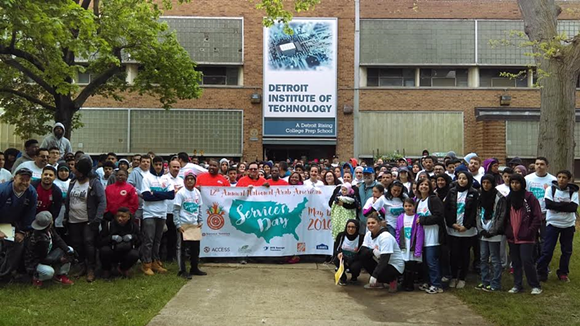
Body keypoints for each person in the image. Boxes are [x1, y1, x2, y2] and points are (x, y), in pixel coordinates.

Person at [64, 158, 106, 282]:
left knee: (88, 243)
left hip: (88, 220)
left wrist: (97, 218)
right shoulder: (72, 182)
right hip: (73, 220)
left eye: (75, 168)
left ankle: (91, 268)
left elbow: (102, 201)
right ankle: (82, 266)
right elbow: (68, 200)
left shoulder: (94, 183)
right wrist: (66, 216)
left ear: (81, 172)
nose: (73, 169)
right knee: (77, 243)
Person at [536, 170, 578, 283]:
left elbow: (573, 208)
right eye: (559, 177)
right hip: (552, 224)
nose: (561, 179)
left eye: (564, 177)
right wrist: (565, 205)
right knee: (547, 250)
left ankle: (563, 272)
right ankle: (541, 272)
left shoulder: (573, 192)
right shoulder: (551, 189)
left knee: (566, 251)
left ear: (568, 179)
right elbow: (549, 204)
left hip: (568, 225)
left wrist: (557, 206)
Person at [504, 173, 543, 295]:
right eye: (512, 183)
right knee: (515, 261)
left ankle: (535, 285)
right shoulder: (508, 198)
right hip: (512, 236)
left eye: (517, 183)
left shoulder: (530, 197)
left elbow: (537, 216)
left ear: (522, 184)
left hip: (526, 236)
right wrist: (507, 230)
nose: (515, 185)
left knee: (527, 260)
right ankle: (517, 284)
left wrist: (530, 230)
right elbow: (504, 216)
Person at [0, 168, 37, 280]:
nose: (24, 182)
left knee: (17, 244)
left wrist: (22, 231)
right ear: (15, 178)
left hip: (13, 224)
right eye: (22, 179)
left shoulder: (31, 192)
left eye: (27, 180)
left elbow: (30, 214)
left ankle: (4, 275)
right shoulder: (3, 190)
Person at [140, 156, 175, 276]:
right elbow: (146, 196)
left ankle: (155, 261)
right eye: (156, 165)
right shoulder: (146, 178)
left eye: (160, 165)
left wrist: (155, 193)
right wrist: (162, 194)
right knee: (148, 239)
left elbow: (171, 195)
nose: (158, 167)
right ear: (152, 165)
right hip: (149, 213)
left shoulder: (167, 179)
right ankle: (146, 264)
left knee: (157, 240)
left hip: (162, 213)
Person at [444, 170, 479, 289]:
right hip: (453, 229)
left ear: (469, 180)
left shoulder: (474, 193)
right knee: (454, 254)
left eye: (464, 178)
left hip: (467, 231)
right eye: (460, 178)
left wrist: (466, 226)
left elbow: (475, 212)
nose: (462, 180)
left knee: (465, 254)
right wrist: (452, 224)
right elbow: (447, 209)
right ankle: (454, 277)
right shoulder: (452, 192)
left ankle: (463, 278)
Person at [25, 211, 75, 286]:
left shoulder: (49, 230)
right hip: (35, 263)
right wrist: (59, 260)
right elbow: (42, 259)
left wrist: (67, 251)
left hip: (47, 255)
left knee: (70, 249)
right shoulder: (40, 240)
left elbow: (58, 239)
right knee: (49, 272)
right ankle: (37, 278)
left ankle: (61, 275)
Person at [476, 174, 507, 292]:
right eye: (483, 183)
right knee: (483, 257)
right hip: (483, 230)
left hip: (495, 233)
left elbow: (501, 216)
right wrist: (481, 229)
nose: (485, 185)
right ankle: (485, 280)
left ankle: (495, 282)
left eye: (488, 183)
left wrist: (492, 231)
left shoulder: (500, 198)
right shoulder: (480, 196)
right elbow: (478, 214)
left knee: (494, 258)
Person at [359, 213, 405, 291]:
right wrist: (372, 251)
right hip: (380, 260)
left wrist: (374, 275)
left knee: (382, 273)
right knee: (364, 257)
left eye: (373, 223)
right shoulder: (368, 234)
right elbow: (362, 251)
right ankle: (379, 282)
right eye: (368, 223)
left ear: (379, 224)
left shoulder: (385, 237)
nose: (370, 225)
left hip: (394, 265)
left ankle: (393, 280)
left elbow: (385, 259)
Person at [174, 172, 206, 279]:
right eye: (188, 179)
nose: (190, 181)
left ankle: (194, 268)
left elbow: (200, 207)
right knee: (182, 248)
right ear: (185, 180)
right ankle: (182, 270)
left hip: (194, 224)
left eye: (192, 179)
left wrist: (200, 220)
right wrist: (178, 224)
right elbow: (176, 210)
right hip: (184, 224)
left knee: (195, 248)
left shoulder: (197, 192)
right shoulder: (181, 193)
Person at [525, 157, 556, 261]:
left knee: (545, 239)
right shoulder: (528, 179)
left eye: (542, 164)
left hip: (546, 214)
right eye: (537, 164)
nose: (539, 166)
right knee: (532, 238)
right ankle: (532, 259)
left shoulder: (553, 180)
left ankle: (543, 262)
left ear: (547, 166)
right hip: (531, 214)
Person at [98, 207, 140, 278]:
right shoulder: (109, 225)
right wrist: (111, 238)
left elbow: (140, 241)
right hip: (112, 251)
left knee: (135, 254)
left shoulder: (133, 226)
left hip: (126, 252)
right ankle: (106, 270)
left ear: (128, 217)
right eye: (118, 216)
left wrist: (132, 237)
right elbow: (100, 242)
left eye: (123, 216)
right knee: (104, 250)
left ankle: (124, 268)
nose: (120, 219)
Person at [396, 198, 424, 291]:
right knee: (404, 265)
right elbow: (398, 232)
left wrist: (418, 249)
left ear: (414, 206)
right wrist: (397, 244)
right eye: (406, 206)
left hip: (412, 246)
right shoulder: (400, 217)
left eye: (410, 206)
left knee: (412, 265)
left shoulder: (417, 218)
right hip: (404, 245)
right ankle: (404, 282)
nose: (408, 208)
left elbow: (419, 234)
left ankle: (410, 284)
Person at [161, 160, 184, 262]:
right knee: (163, 236)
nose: (176, 169)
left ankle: (171, 257)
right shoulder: (163, 179)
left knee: (173, 236)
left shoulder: (181, 180)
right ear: (169, 167)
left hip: (177, 212)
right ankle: (160, 257)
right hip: (165, 211)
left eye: (178, 167)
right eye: (174, 167)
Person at [335, 219, 364, 286]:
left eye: (353, 227)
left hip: (355, 259)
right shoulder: (341, 236)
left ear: (357, 228)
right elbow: (336, 249)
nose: (350, 229)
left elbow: (361, 253)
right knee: (337, 260)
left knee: (356, 266)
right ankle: (342, 278)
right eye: (349, 227)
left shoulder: (361, 238)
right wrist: (338, 254)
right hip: (343, 258)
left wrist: (351, 260)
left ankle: (354, 277)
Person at [127, 154, 151, 222]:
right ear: (140, 163)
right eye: (143, 161)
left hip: (149, 205)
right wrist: (140, 193)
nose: (145, 163)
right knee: (137, 222)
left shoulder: (152, 173)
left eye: (147, 162)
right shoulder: (135, 172)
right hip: (138, 203)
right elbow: (129, 185)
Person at [358, 167, 378, 232]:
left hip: (374, 221)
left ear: (373, 175)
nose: (366, 176)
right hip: (361, 220)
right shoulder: (359, 186)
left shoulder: (378, 186)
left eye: (369, 174)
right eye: (365, 174)